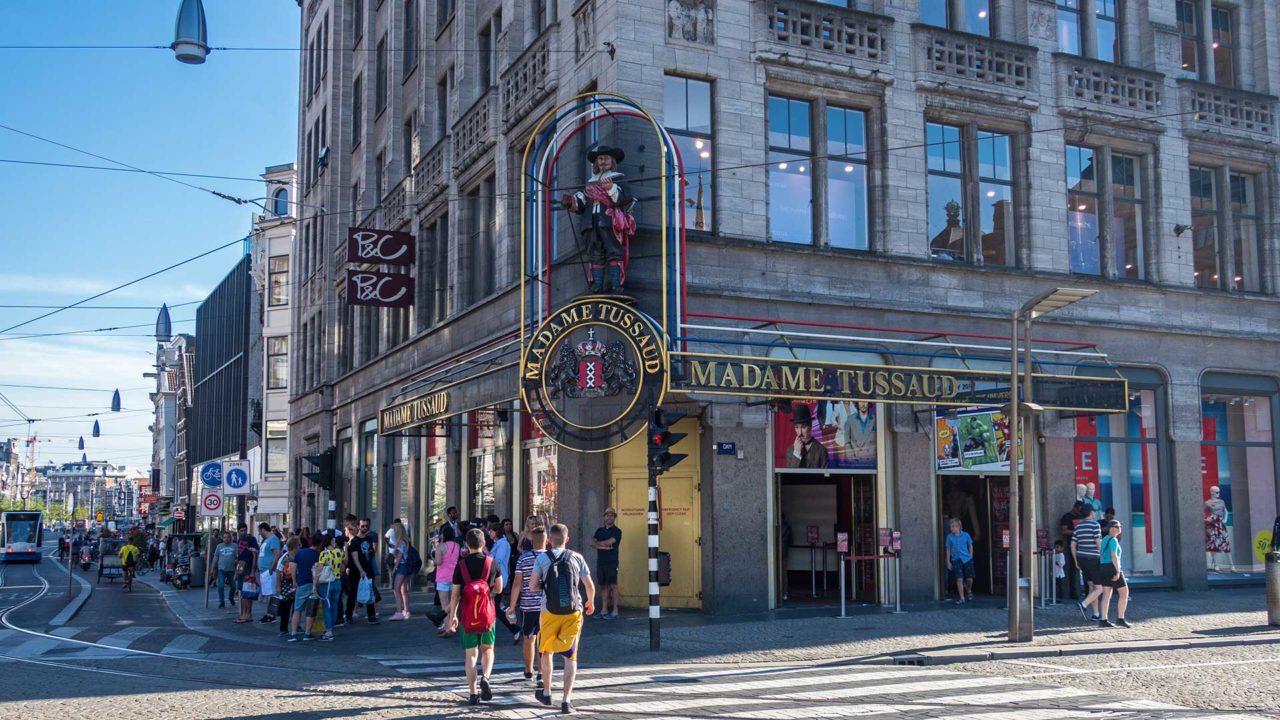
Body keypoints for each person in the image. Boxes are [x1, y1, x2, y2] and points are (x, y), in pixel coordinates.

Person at [530, 523, 596, 715]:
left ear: (549, 540)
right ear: (567, 539)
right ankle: (567, 700)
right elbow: (589, 585)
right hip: (572, 612)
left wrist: (544, 586)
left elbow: (533, 585)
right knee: (570, 655)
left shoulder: (543, 558)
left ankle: (547, 692)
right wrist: (590, 602)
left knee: (546, 651)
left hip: (548, 612)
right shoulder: (577, 557)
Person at [560, 144, 636, 293]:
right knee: (594, 253)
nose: (602, 161)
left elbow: (625, 198)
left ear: (612, 161)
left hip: (608, 222)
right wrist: (572, 202)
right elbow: (582, 203)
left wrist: (611, 189)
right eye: (600, 159)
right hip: (590, 223)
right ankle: (597, 286)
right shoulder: (590, 182)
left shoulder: (618, 178)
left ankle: (616, 285)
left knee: (614, 251)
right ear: (595, 163)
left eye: (606, 158)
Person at [444, 528, 504, 706]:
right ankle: (486, 677)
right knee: (487, 649)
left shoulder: (460, 565)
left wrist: (452, 616)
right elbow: (499, 588)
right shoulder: (492, 563)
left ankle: (472, 693)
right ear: (484, 543)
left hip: (467, 615)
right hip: (488, 615)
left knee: (470, 655)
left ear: (466, 545)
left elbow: (455, 594)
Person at [510, 525, 547, 686]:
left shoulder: (523, 558)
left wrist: (511, 606)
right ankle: (542, 672)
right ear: (547, 541)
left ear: (531, 541)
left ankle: (529, 670)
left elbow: (517, 584)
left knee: (529, 638)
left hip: (528, 605)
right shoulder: (552, 558)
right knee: (544, 640)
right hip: (547, 606)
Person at [1072, 505, 1105, 623]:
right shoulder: (1095, 525)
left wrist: (1076, 560)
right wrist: (1103, 556)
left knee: (1092, 587)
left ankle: (1096, 614)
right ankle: (1083, 604)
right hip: (1093, 559)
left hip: (1081, 558)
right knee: (1100, 588)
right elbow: (1098, 542)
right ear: (1091, 512)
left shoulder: (1078, 526)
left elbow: (1073, 544)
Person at [488, 523, 521, 640]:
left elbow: (498, 560)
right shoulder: (498, 543)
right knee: (495, 606)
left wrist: (486, 553)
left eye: (491, 531)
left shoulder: (503, 544)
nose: (489, 533)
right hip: (497, 577)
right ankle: (513, 626)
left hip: (499, 578)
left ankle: (514, 628)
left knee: (495, 607)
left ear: (496, 532)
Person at [345, 518, 381, 624]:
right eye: (362, 526)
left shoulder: (369, 539)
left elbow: (371, 552)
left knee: (369, 592)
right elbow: (355, 558)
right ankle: (348, 614)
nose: (365, 528)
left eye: (366, 526)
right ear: (358, 527)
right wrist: (361, 570)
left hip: (368, 568)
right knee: (353, 593)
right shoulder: (354, 542)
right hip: (356, 571)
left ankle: (371, 615)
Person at [590, 508, 622, 619]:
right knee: (603, 586)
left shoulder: (617, 531)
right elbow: (592, 543)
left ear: (614, 517)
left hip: (612, 562)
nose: (609, 517)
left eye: (612, 515)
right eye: (607, 515)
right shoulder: (599, 530)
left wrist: (598, 544)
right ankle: (604, 610)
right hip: (601, 562)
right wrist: (603, 546)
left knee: (613, 585)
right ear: (604, 517)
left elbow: (610, 542)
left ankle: (615, 610)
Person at [288, 533, 321, 641]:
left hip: (301, 583)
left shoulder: (300, 553)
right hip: (314, 584)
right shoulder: (319, 555)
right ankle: (307, 633)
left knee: (297, 609)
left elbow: (293, 568)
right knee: (310, 610)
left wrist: (294, 581)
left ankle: (293, 633)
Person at [1099, 521, 1131, 627]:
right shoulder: (1113, 540)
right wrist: (1118, 571)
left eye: (1120, 526)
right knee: (1124, 593)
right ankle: (1120, 618)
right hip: (1112, 567)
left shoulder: (1104, 539)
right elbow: (1114, 556)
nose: (1119, 528)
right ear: (1111, 528)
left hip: (1103, 567)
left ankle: (1103, 620)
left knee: (1106, 594)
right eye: (1117, 526)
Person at [434, 524, 461, 636]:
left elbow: (438, 562)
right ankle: (453, 625)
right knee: (453, 602)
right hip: (454, 576)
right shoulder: (457, 546)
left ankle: (447, 628)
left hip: (442, 577)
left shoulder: (440, 546)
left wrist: (432, 558)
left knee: (444, 604)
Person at [315, 532, 343, 641]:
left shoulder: (324, 554)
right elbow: (344, 563)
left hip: (327, 583)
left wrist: (315, 583)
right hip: (337, 581)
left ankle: (328, 630)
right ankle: (331, 627)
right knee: (335, 605)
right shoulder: (340, 552)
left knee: (327, 606)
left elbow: (319, 568)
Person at [784, 404, 828, 468]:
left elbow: (825, 476)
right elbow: (789, 476)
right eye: (797, 427)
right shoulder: (790, 450)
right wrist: (796, 453)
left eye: (803, 427)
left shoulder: (821, 450)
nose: (800, 432)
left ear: (810, 427)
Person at [1057, 501, 1085, 600]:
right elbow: (1063, 530)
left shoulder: (1082, 516)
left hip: (1083, 545)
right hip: (1072, 544)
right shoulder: (1067, 517)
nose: (1079, 512)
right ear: (1075, 508)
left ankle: (1084, 591)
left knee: (1084, 569)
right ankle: (1074, 592)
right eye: (1079, 510)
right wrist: (1075, 531)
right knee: (1073, 568)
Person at [944, 518, 975, 604]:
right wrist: (948, 561)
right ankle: (962, 598)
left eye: (953, 526)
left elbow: (970, 545)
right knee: (959, 579)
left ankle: (968, 589)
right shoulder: (949, 537)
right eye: (951, 527)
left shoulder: (966, 535)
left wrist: (971, 555)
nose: (952, 528)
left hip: (966, 559)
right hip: (956, 560)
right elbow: (948, 549)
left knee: (969, 579)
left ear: (958, 527)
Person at [256, 522, 282, 624]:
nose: (259, 533)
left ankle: (271, 614)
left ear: (263, 529)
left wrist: (271, 568)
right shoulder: (266, 540)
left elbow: (277, 553)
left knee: (271, 594)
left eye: (259, 531)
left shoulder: (273, 539)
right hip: (264, 570)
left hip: (269, 570)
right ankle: (269, 613)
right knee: (268, 593)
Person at [388, 519, 412, 621]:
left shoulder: (401, 542)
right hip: (407, 566)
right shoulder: (406, 541)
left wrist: (394, 569)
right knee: (403, 589)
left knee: (396, 588)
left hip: (401, 566)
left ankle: (399, 611)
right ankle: (406, 610)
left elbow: (399, 557)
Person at [277, 537, 299, 637]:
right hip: (286, 583)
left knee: (297, 606)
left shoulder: (297, 556)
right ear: (295, 547)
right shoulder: (285, 557)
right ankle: (283, 627)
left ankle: (295, 625)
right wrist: (278, 586)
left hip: (295, 583)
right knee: (286, 606)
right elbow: (278, 571)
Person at [212, 532, 238, 608]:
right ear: (223, 538)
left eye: (228, 537)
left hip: (231, 570)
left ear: (230, 538)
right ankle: (221, 601)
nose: (226, 539)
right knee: (221, 585)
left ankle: (231, 597)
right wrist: (212, 567)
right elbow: (216, 557)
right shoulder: (219, 546)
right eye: (225, 537)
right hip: (221, 569)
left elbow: (237, 557)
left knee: (233, 586)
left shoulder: (234, 546)